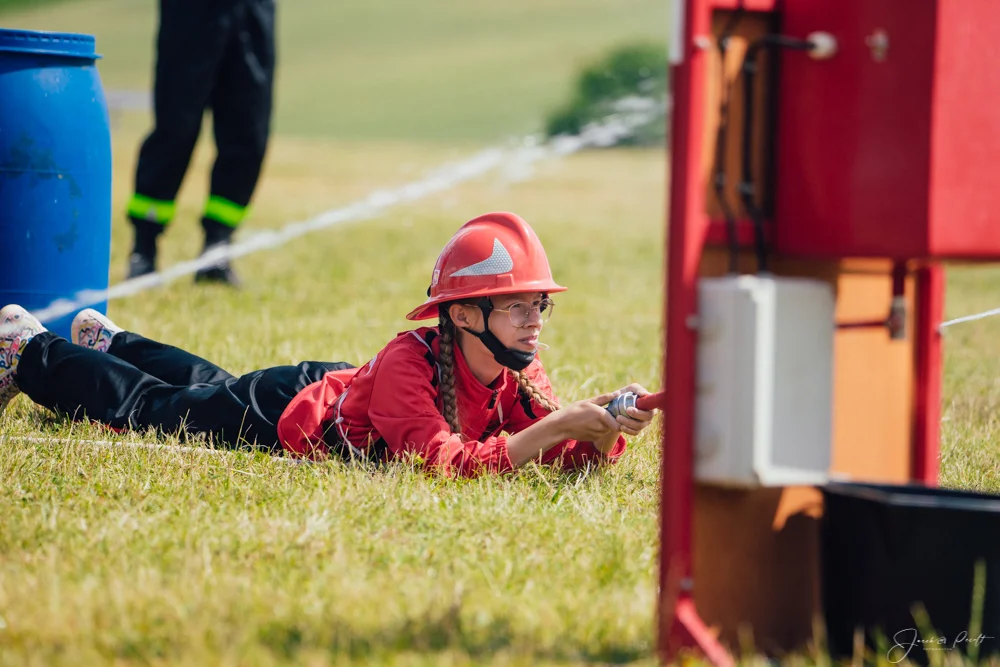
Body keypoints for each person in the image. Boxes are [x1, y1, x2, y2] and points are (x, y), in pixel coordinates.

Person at [0, 212, 654, 477]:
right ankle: (27, 350)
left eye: (537, 303)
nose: (534, 318)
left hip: (343, 391)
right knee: (159, 411)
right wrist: (561, 424)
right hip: (288, 411)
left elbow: (556, 455)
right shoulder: (410, 362)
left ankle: (111, 341)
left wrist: (596, 431)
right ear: (460, 314)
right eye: (516, 304)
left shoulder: (519, 364)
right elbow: (444, 467)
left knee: (205, 384)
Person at [125, 0, 277, 287]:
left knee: (249, 132)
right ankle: (143, 249)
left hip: (252, 9)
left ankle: (217, 248)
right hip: (191, 10)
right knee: (175, 128)